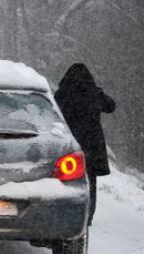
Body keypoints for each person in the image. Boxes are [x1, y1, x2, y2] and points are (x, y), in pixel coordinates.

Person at [54, 63, 116, 226]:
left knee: (67, 179)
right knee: (91, 181)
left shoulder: (62, 94)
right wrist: (99, 93)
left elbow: (53, 112)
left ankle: (69, 212)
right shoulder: (94, 94)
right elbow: (111, 106)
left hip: (70, 142)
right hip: (92, 143)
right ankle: (88, 216)